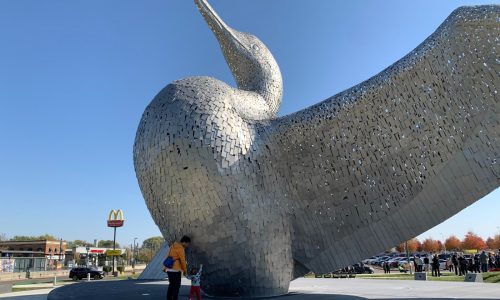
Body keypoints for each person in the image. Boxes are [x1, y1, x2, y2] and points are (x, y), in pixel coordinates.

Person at [164, 236, 191, 300]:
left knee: (171, 285)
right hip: (176, 270)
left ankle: (169, 298)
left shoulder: (172, 246)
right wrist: (185, 271)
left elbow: (167, 256)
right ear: (184, 242)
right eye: (188, 243)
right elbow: (182, 260)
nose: (188, 245)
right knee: (176, 287)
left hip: (168, 268)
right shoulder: (180, 248)